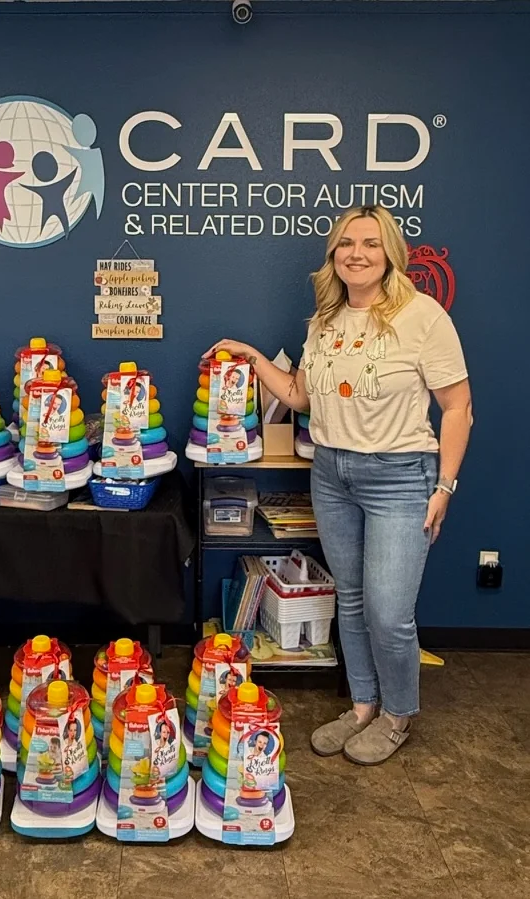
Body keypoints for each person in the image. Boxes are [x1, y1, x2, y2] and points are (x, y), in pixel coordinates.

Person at [202, 205, 471, 766]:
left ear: (390, 253)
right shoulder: (325, 320)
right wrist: (251, 356)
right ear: (333, 256)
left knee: (388, 609)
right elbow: (301, 396)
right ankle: (363, 705)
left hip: (401, 477)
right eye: (346, 244)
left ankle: (398, 716)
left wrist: (444, 486)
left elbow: (457, 407)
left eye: (370, 243)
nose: (357, 253)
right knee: (348, 599)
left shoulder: (423, 317)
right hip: (332, 474)